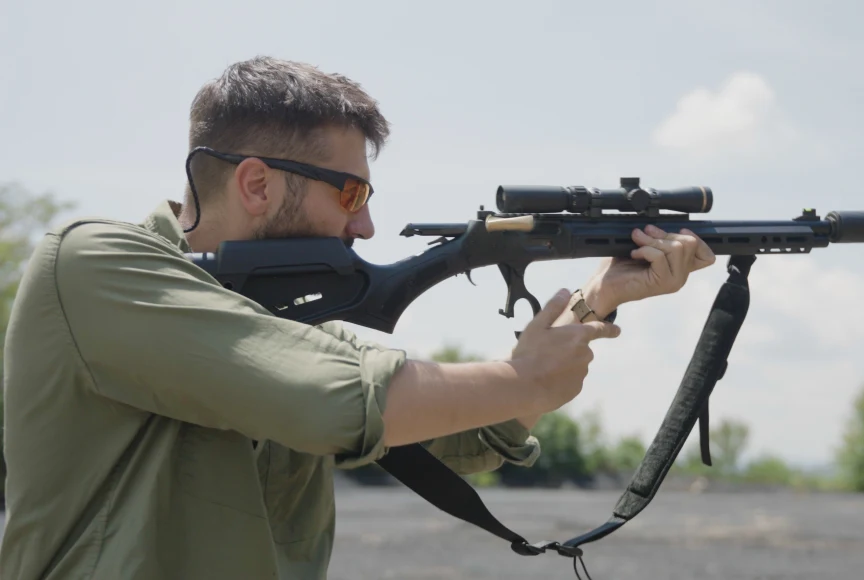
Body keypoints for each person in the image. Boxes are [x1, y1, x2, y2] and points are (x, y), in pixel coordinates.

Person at [0, 56, 715, 579]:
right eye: (350, 194)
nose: (368, 225)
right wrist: (524, 381)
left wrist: (596, 301)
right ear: (255, 183)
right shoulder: (92, 263)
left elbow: (462, 440)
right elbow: (333, 400)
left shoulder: (283, 326)